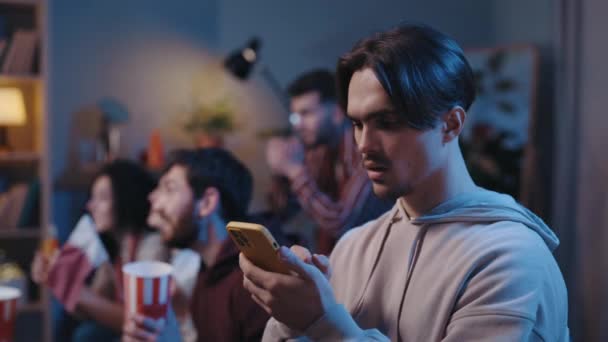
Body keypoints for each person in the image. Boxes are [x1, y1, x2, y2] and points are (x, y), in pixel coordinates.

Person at [240, 24, 569, 341]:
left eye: (386, 122)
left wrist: (321, 321)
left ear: (451, 124)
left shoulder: (510, 258)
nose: (363, 144)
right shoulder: (353, 246)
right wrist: (290, 315)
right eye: (357, 123)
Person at [123, 148, 269, 342]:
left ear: (207, 203)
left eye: (170, 188)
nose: (154, 201)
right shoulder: (207, 271)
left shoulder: (253, 282)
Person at [31, 160, 166, 341]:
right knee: (75, 325)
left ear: (125, 199)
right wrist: (56, 280)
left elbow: (142, 320)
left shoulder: (151, 245)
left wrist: (76, 291)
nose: (90, 206)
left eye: (102, 198)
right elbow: (92, 310)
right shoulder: (114, 249)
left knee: (85, 334)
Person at [266, 69, 391, 254]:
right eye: (295, 116)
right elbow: (284, 213)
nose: (297, 124)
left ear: (338, 113)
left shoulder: (365, 150)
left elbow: (340, 222)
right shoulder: (317, 150)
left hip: (374, 259)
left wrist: (294, 171)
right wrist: (281, 173)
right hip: (333, 262)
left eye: (306, 113)